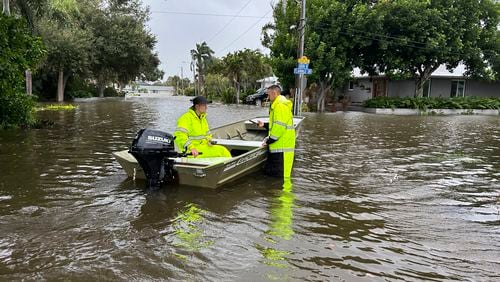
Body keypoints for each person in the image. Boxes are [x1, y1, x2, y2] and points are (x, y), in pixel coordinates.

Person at [257, 85, 295, 179]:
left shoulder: (280, 106)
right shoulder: (277, 105)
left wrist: (268, 141)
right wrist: (264, 125)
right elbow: (276, 124)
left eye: (268, 94)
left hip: (281, 150)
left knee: (279, 178)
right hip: (278, 148)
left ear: (274, 93)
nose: (267, 97)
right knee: (271, 176)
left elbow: (279, 128)